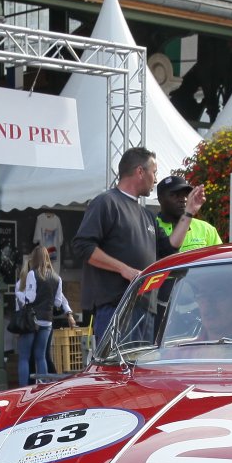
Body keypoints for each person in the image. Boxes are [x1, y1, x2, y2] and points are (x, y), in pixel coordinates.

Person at [73, 147, 205, 343]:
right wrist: (124, 269)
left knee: (139, 363)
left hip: (146, 309)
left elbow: (170, 248)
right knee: (119, 363)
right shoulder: (106, 202)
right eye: (154, 172)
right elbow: (82, 246)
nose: (156, 179)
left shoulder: (147, 215)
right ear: (140, 171)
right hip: (117, 307)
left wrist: (189, 212)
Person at [14, 244, 73, 386]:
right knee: (41, 357)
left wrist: (19, 294)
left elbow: (30, 298)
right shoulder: (57, 278)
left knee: (24, 357)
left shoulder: (32, 274)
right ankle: (43, 386)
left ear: (34, 258)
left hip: (32, 320)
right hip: (47, 321)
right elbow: (58, 302)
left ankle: (23, 388)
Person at [155, 175, 222, 253]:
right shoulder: (150, 228)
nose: (183, 199)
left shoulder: (206, 229)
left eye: (185, 195)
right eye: (174, 195)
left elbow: (220, 257)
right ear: (160, 199)